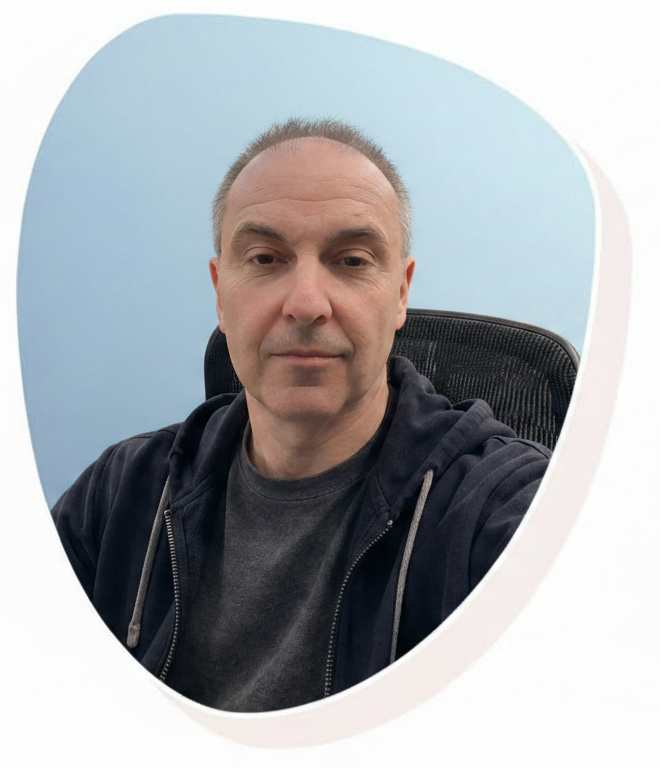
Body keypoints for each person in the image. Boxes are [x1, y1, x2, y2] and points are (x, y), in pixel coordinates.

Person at [52, 117, 551, 713]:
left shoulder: (505, 508)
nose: (307, 304)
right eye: (265, 258)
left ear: (400, 293)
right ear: (219, 291)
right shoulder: (119, 495)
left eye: (352, 260)